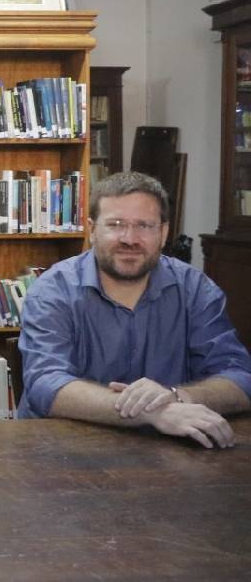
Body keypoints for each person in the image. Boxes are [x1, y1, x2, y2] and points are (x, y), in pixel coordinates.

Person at [18, 171, 251, 447]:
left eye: (144, 225)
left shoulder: (195, 289)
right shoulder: (52, 291)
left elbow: (240, 377)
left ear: (163, 232)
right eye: (116, 224)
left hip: (170, 450)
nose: (130, 238)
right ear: (92, 230)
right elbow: (45, 384)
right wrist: (147, 412)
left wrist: (174, 397)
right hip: (65, 451)